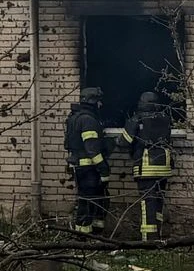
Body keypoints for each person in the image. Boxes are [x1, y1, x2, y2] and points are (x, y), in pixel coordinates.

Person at [121, 91, 173, 242]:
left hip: (146, 167)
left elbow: (124, 142)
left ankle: (148, 239)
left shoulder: (136, 119)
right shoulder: (165, 119)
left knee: (148, 202)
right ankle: (158, 235)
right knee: (158, 201)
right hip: (164, 167)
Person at [64, 87, 110, 234]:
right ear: (93, 102)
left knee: (95, 200)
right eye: (99, 101)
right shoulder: (88, 120)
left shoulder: (76, 117)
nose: (101, 105)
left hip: (81, 166)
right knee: (88, 203)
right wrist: (103, 169)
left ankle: (94, 234)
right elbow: (92, 150)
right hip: (89, 168)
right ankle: (84, 237)